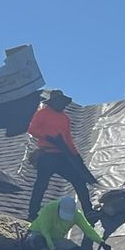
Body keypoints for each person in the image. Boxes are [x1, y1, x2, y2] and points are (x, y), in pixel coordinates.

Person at [28, 89, 98, 220]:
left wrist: (76, 156)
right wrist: (48, 137)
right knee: (41, 185)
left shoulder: (64, 118)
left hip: (61, 156)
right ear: (54, 102)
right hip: (46, 155)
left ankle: (89, 211)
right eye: (60, 102)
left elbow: (67, 139)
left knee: (79, 181)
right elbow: (32, 130)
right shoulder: (42, 113)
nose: (63, 105)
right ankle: (32, 214)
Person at [27, 192, 105, 250]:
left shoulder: (76, 214)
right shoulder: (49, 208)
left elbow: (88, 229)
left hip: (56, 239)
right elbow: (44, 231)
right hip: (38, 235)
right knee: (39, 242)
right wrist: (52, 248)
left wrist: (101, 242)